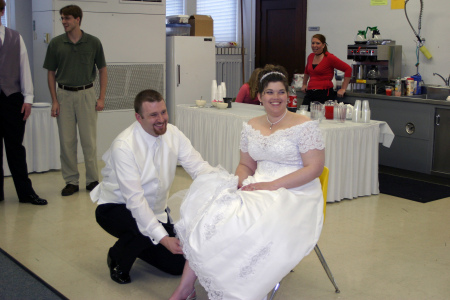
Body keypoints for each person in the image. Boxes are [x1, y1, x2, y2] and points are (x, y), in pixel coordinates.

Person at [170, 65, 325, 300]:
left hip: (295, 191)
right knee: (212, 212)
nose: (276, 97)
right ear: (260, 97)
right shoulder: (251, 125)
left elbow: (314, 169)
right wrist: (239, 183)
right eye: (270, 92)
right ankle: (185, 289)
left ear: (288, 95)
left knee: (250, 220)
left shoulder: (304, 125)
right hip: (256, 183)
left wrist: (271, 186)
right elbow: (246, 165)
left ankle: (237, 287)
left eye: (281, 92)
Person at [90, 89, 216, 284]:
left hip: (155, 209)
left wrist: (223, 183)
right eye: (153, 115)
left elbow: (199, 167)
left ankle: (141, 243)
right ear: (138, 117)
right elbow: (135, 202)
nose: (161, 119)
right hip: (116, 207)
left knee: (176, 265)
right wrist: (164, 239)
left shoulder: (173, 133)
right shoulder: (124, 145)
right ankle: (117, 258)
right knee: (143, 230)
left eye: (163, 112)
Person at [43, 4, 107, 196]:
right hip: (63, 95)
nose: (64, 22)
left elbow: (102, 70)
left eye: (67, 18)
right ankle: (71, 181)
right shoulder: (56, 44)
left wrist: (101, 97)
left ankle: (92, 180)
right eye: (62, 18)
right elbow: (50, 73)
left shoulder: (93, 42)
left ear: (77, 19)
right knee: (67, 141)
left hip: (87, 94)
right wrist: (54, 100)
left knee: (89, 141)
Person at [0, 0, 47, 205]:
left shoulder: (14, 37)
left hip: (12, 99)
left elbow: (24, 68)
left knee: (16, 148)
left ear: (2, 11)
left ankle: (25, 193)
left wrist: (28, 98)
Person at [301, 34, 352, 108]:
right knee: (304, 113)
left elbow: (348, 69)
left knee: (321, 116)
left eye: (318, 43)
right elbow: (306, 71)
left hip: (324, 93)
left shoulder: (329, 57)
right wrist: (304, 84)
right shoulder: (310, 56)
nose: (314, 45)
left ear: (323, 45)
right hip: (310, 92)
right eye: (313, 43)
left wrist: (343, 88)